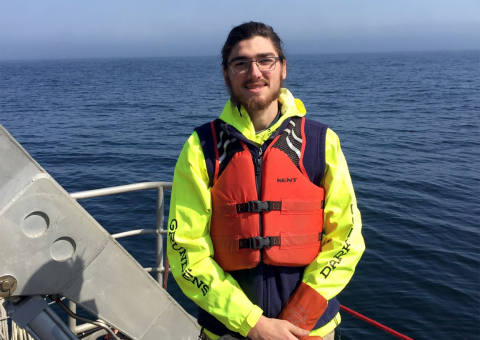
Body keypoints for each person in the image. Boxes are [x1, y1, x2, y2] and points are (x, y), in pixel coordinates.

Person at [167, 21, 364, 340]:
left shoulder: (320, 141)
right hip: (229, 332)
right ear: (226, 73)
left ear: (282, 68)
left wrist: (298, 316)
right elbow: (185, 249)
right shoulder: (201, 147)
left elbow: (347, 236)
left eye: (265, 60)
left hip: (310, 331)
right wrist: (253, 324)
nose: (254, 72)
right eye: (240, 63)